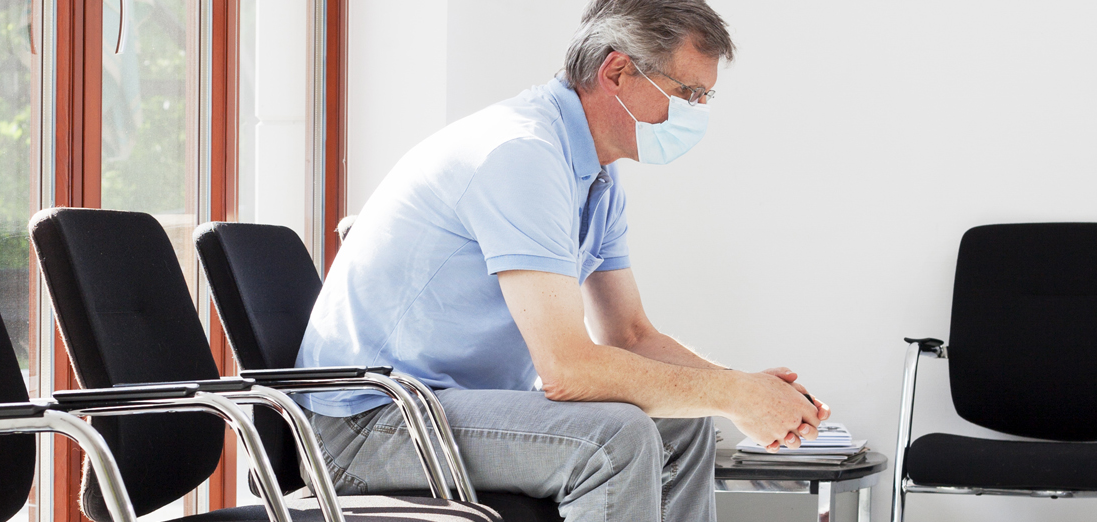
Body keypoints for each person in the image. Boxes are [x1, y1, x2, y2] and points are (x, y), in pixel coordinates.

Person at [296, 1, 830, 520]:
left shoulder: (594, 173)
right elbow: (568, 370)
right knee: (614, 440)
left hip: (439, 407)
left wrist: (747, 389)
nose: (697, 112)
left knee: (683, 426)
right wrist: (735, 394)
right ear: (617, 71)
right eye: (687, 92)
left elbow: (630, 334)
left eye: (705, 96)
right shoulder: (522, 152)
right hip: (367, 425)